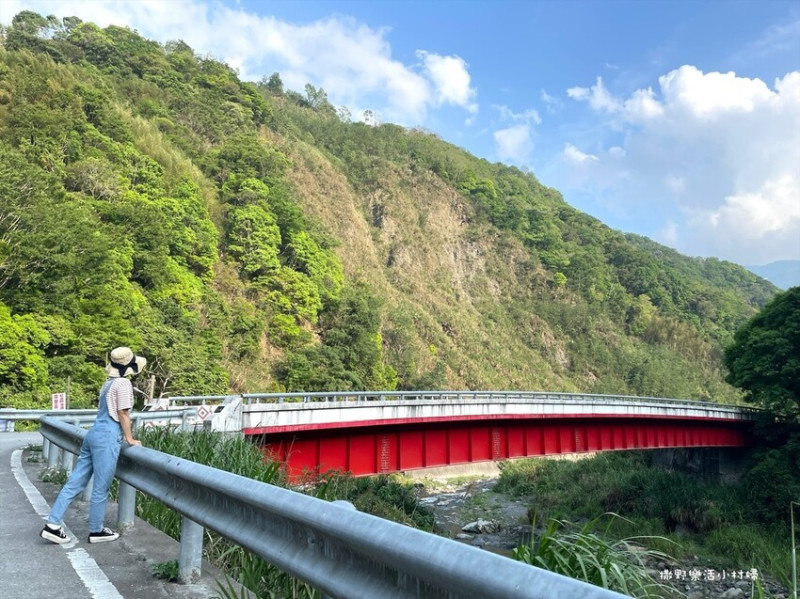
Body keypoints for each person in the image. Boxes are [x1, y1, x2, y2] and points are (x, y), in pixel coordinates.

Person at [40, 347, 146, 545]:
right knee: (101, 487)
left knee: (75, 482)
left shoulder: (108, 383)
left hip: (93, 434)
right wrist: (130, 439)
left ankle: (52, 524)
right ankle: (96, 530)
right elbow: (123, 413)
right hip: (107, 437)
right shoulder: (123, 383)